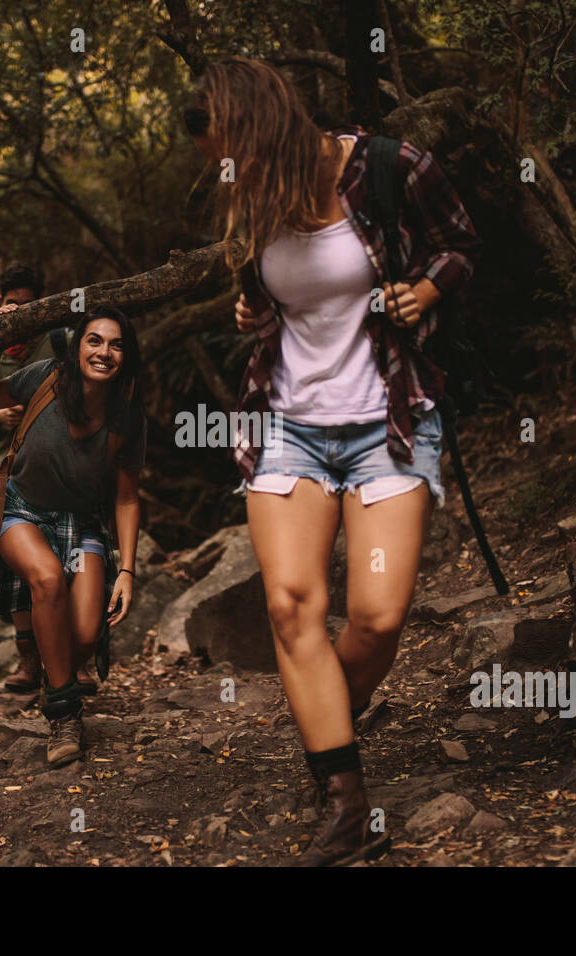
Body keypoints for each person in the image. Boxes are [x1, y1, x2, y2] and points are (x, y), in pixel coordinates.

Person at [183, 57, 482, 865]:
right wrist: (253, 304)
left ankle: (326, 730)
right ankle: (347, 803)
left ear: (259, 129)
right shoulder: (252, 198)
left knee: (380, 616)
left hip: (388, 420)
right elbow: (264, 296)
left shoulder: (391, 168)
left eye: (228, 152)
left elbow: (461, 243)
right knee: (291, 609)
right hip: (288, 426)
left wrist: (428, 290)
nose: (224, 173)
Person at [0, 306, 146, 767]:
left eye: (116, 344)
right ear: (77, 344)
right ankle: (63, 715)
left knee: (83, 634)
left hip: (81, 526)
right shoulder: (45, 377)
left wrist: (126, 570)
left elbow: (125, 498)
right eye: (94, 340)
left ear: (127, 356)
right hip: (21, 508)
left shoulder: (126, 415)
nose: (104, 352)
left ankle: (55, 674)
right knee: (46, 579)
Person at [0, 264, 87, 693]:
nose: (20, 312)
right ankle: (29, 661)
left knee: (68, 556)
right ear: (0, 304)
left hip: (58, 467)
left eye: (30, 306)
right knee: (15, 567)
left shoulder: (59, 342)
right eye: (13, 304)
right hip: (3, 468)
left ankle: (72, 662)